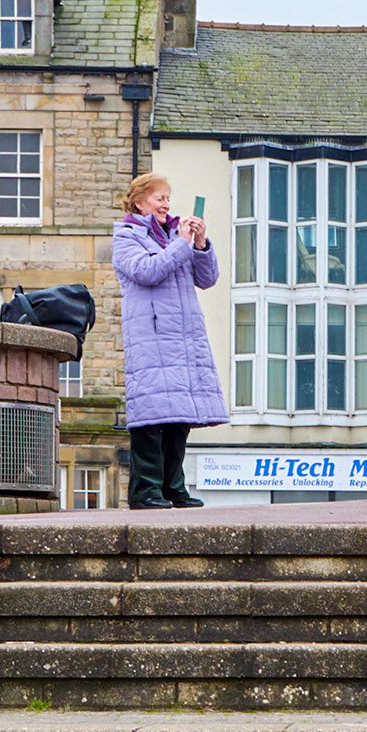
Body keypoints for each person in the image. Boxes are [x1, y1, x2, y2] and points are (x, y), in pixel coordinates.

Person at [111, 172, 227, 508]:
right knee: (152, 417)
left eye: (168, 199)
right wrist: (181, 243)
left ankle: (173, 487)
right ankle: (146, 491)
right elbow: (147, 272)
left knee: (179, 419)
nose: (166, 204)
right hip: (152, 338)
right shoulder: (126, 236)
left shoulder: (175, 237)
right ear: (139, 201)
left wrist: (200, 245)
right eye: (160, 198)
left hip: (183, 339)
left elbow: (207, 279)